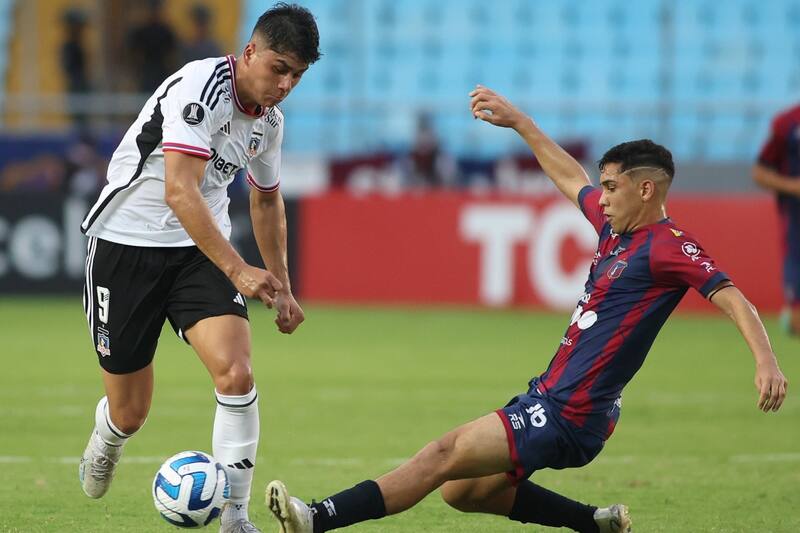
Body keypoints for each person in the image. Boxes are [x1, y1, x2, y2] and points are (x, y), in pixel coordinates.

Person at [265, 86, 789, 533]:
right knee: (462, 491)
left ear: (646, 189)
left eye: (612, 187)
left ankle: (316, 518)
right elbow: (570, 177)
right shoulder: (615, 230)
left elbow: (732, 296)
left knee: (442, 454)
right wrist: (520, 123)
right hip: (557, 398)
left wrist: (765, 360)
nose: (602, 198)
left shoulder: (668, 246)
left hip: (570, 412)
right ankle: (594, 522)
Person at [78, 4, 320, 533]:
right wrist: (239, 271)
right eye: (279, 68)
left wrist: (282, 286)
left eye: (297, 76)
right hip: (126, 244)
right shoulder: (201, 87)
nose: (285, 85)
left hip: (198, 252)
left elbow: (265, 200)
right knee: (130, 412)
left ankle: (236, 519)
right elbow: (179, 190)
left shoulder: (269, 122)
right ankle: (108, 438)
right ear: (250, 52)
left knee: (237, 374)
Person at [752, 103, 800, 335]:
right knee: (797, 324)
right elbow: (760, 172)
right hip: (797, 227)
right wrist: (793, 186)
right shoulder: (788, 123)